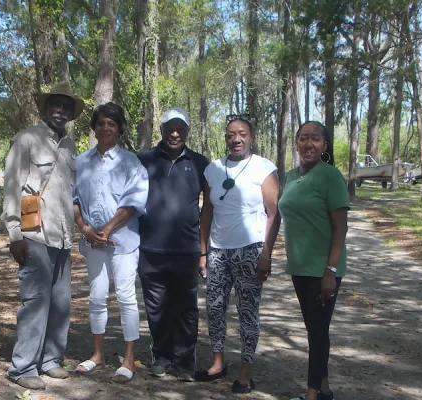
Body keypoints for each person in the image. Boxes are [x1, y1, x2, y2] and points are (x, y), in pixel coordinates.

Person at [0, 82, 84, 390]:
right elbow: (12, 188)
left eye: (65, 106)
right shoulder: (26, 140)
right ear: (46, 108)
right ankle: (22, 367)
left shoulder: (70, 146)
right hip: (33, 234)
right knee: (36, 300)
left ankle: (50, 360)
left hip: (62, 236)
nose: (60, 110)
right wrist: (14, 233)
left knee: (60, 301)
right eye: (55, 105)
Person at [197, 114, 281, 394]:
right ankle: (218, 362)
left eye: (242, 133)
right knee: (215, 308)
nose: (236, 139)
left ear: (251, 137)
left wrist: (266, 254)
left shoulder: (263, 168)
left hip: (250, 249)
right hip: (219, 250)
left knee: (248, 311)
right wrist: (203, 251)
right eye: (231, 134)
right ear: (225, 137)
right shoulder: (213, 169)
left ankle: (246, 370)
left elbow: (273, 214)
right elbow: (206, 212)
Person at [72, 102, 149, 383]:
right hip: (93, 242)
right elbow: (74, 200)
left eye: (112, 124)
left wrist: (105, 230)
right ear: (94, 128)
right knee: (96, 296)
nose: (106, 128)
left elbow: (133, 202)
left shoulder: (131, 162)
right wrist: (84, 228)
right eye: (101, 123)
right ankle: (97, 354)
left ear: (120, 130)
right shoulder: (81, 162)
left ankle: (129, 359)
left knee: (126, 296)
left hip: (123, 242)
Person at [136, 108, 210, 382]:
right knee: (156, 307)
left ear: (187, 132)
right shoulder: (143, 160)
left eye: (181, 128)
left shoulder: (201, 163)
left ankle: (184, 362)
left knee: (186, 308)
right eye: (170, 127)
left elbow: (209, 210)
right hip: (150, 250)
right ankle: (163, 357)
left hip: (187, 250)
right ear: (162, 129)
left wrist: (204, 250)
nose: (175, 133)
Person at [280, 121, 349, 400]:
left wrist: (330, 270)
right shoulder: (288, 176)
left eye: (316, 139)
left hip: (324, 269)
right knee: (315, 329)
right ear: (296, 142)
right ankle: (324, 388)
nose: (309, 144)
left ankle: (311, 395)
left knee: (317, 331)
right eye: (304, 138)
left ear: (325, 145)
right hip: (300, 266)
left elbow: (340, 228)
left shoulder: (331, 176)